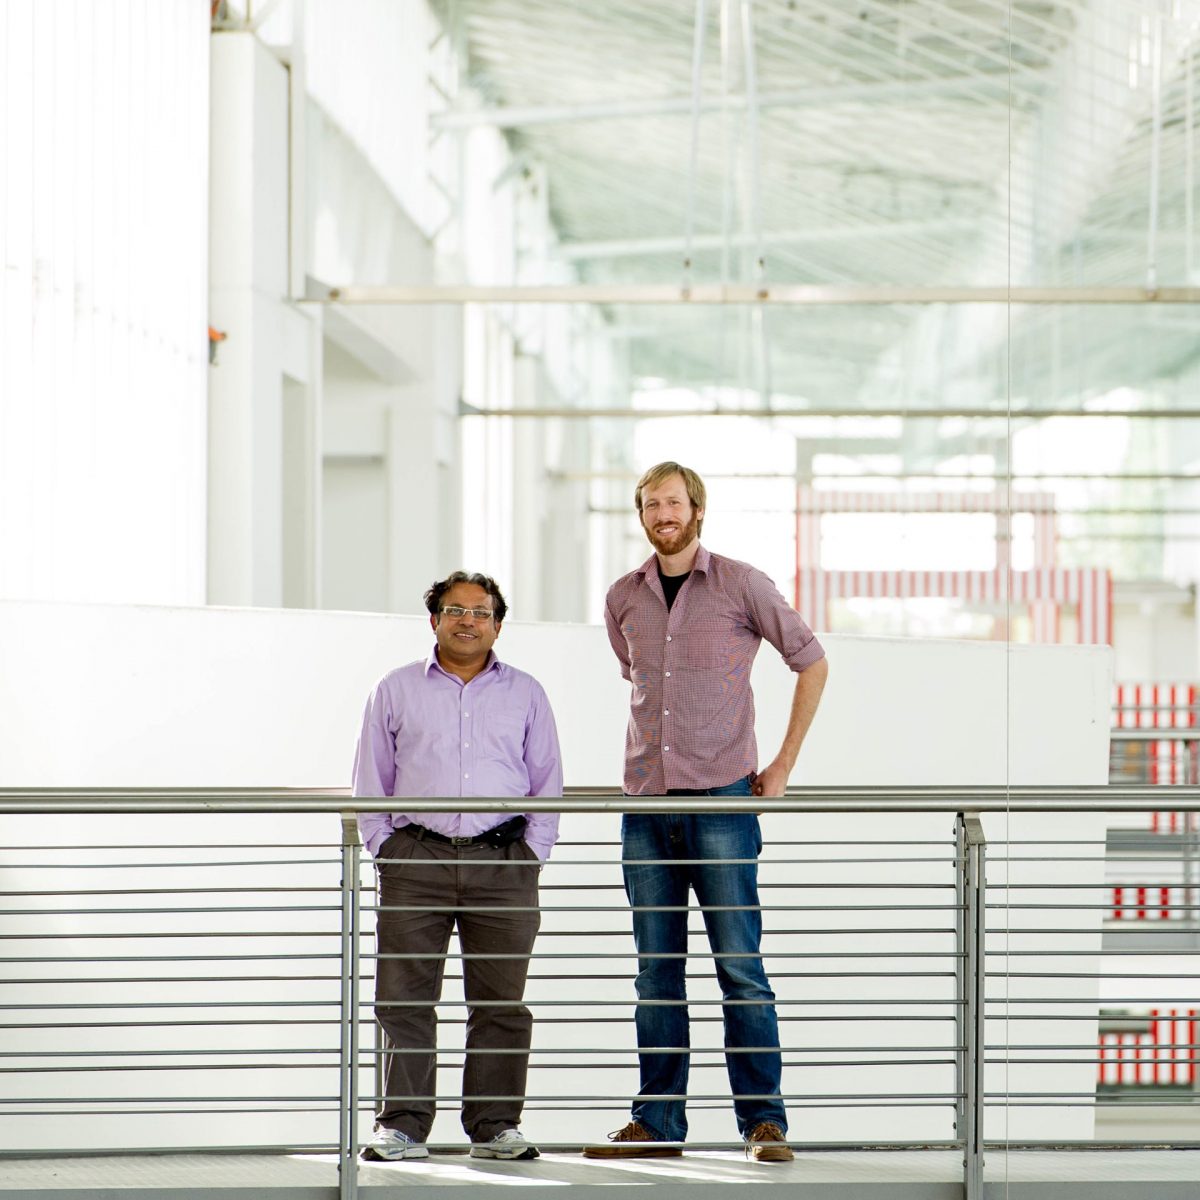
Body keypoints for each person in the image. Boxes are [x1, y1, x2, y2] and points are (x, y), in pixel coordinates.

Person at [586, 462, 828, 1164]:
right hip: (645, 806)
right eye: (650, 503)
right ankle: (657, 1122)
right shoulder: (621, 597)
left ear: (697, 509)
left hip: (723, 801)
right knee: (655, 971)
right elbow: (639, 681)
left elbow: (811, 661)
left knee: (740, 967)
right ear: (640, 516)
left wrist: (780, 765)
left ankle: (762, 1123)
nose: (663, 513)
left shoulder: (742, 583)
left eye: (674, 501)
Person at [352, 571, 562, 1163]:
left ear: (497, 623)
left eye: (479, 611)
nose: (466, 620)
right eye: (454, 609)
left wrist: (531, 854)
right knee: (403, 999)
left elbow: (546, 779)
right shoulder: (394, 689)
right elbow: (371, 779)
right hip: (415, 860)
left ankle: (495, 1127)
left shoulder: (526, 692)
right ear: (434, 621)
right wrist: (386, 847)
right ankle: (403, 1126)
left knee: (501, 1002)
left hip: (504, 862)